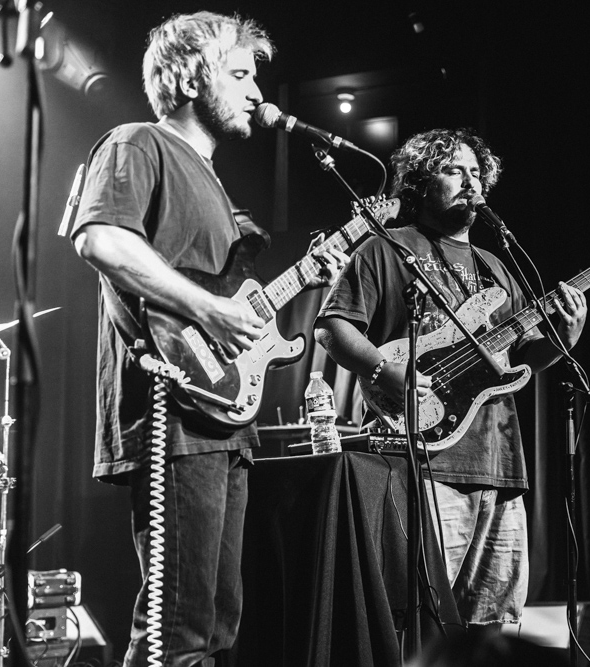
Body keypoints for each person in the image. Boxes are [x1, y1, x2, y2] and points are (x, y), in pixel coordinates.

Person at [71, 12, 345, 667]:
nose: (257, 92)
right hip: (172, 413)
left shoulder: (215, 184)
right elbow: (100, 239)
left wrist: (310, 280)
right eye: (241, 74)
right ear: (192, 79)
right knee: (178, 631)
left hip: (221, 416)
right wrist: (209, 311)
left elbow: (233, 304)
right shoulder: (138, 143)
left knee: (218, 625)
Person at [313, 128, 587, 630]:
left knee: (492, 625)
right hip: (426, 461)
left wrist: (565, 338)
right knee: (422, 619)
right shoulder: (386, 248)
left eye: (476, 172)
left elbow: (524, 360)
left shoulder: (496, 267)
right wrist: (384, 369)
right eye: (453, 170)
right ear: (419, 183)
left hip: (499, 463)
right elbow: (332, 327)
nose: (470, 181)